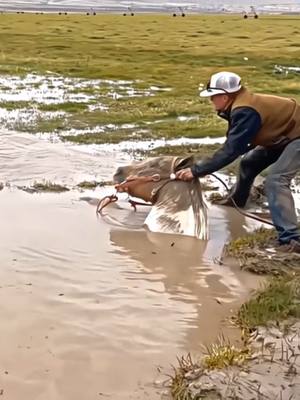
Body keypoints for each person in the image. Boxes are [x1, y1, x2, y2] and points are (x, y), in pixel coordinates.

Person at [175, 71, 300, 252]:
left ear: (225, 96)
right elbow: (240, 145)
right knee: (249, 162)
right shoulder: (240, 104)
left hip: (295, 137)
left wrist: (196, 171)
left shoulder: (245, 111)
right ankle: (238, 200)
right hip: (282, 136)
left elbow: (231, 151)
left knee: (276, 180)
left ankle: (291, 239)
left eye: (213, 97)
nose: (211, 101)